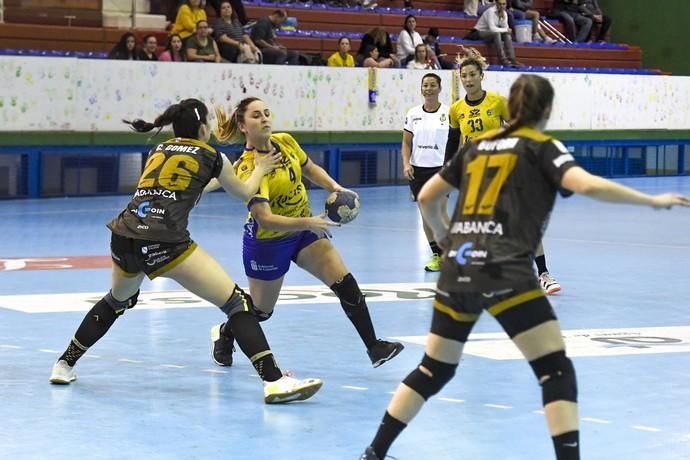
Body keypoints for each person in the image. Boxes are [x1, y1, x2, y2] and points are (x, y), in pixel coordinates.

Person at [360, 74, 690, 460]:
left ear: (509, 108)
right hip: (505, 270)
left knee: (434, 368)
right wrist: (650, 202)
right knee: (555, 370)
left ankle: (374, 453)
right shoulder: (541, 147)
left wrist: (447, 241)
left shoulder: (477, 146)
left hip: (459, 269)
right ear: (547, 110)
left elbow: (428, 197)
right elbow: (586, 185)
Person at [48, 98, 323, 404]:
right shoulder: (212, 155)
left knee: (116, 301)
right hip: (165, 241)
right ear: (204, 128)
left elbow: (179, 188)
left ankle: (64, 364)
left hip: (124, 235)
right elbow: (245, 192)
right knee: (237, 304)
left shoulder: (158, 150)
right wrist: (259, 168)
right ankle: (274, 382)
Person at [207, 97, 405, 369]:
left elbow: (310, 169)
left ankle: (374, 347)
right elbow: (265, 220)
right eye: (256, 115)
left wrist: (336, 188)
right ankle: (225, 333)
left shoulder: (285, 141)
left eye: (266, 113)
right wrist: (309, 222)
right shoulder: (246, 168)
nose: (265, 118)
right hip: (268, 243)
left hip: (303, 230)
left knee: (344, 282)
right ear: (243, 126)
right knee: (262, 312)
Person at [445, 49, 561, 293]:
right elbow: (452, 141)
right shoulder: (456, 109)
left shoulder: (497, 102)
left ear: (481, 76)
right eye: (464, 75)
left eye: (472, 74)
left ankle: (544, 274)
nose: (468, 80)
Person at [401, 73, 450, 272]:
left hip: (441, 169)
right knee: (426, 216)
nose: (428, 89)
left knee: (440, 211)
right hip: (418, 170)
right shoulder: (413, 114)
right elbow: (406, 142)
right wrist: (406, 163)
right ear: (421, 89)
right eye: (425, 85)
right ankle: (437, 255)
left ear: (439, 88)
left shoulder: (449, 113)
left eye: (432, 85)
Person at [468, 0, 522, 66]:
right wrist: (506, 29)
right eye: (500, 4)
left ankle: (512, 59)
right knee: (496, 33)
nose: (502, 6)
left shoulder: (504, 13)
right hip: (478, 32)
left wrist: (505, 28)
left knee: (506, 35)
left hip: (490, 33)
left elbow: (505, 28)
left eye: (504, 4)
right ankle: (503, 60)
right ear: (496, 4)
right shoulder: (490, 11)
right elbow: (492, 28)